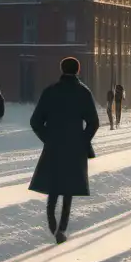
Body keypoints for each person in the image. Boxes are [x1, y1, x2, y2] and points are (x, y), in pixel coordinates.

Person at [29, 57, 100, 244]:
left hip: (54, 146)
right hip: (74, 147)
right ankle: (61, 228)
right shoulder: (83, 92)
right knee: (68, 188)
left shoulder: (50, 92)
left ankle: (53, 225)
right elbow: (94, 122)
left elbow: (35, 121)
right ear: (78, 70)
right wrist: (83, 141)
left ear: (62, 69)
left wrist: (48, 138)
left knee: (54, 186)